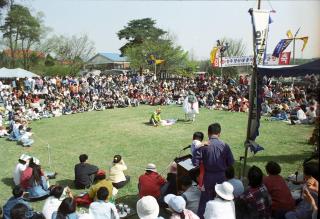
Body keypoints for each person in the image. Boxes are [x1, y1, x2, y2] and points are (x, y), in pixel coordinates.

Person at [192, 123, 235, 218]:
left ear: (208, 133)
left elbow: (195, 163)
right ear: (219, 133)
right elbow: (231, 162)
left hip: (208, 178)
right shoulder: (225, 145)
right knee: (222, 199)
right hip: (221, 177)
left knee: (205, 201)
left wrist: (198, 147)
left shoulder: (204, 145)